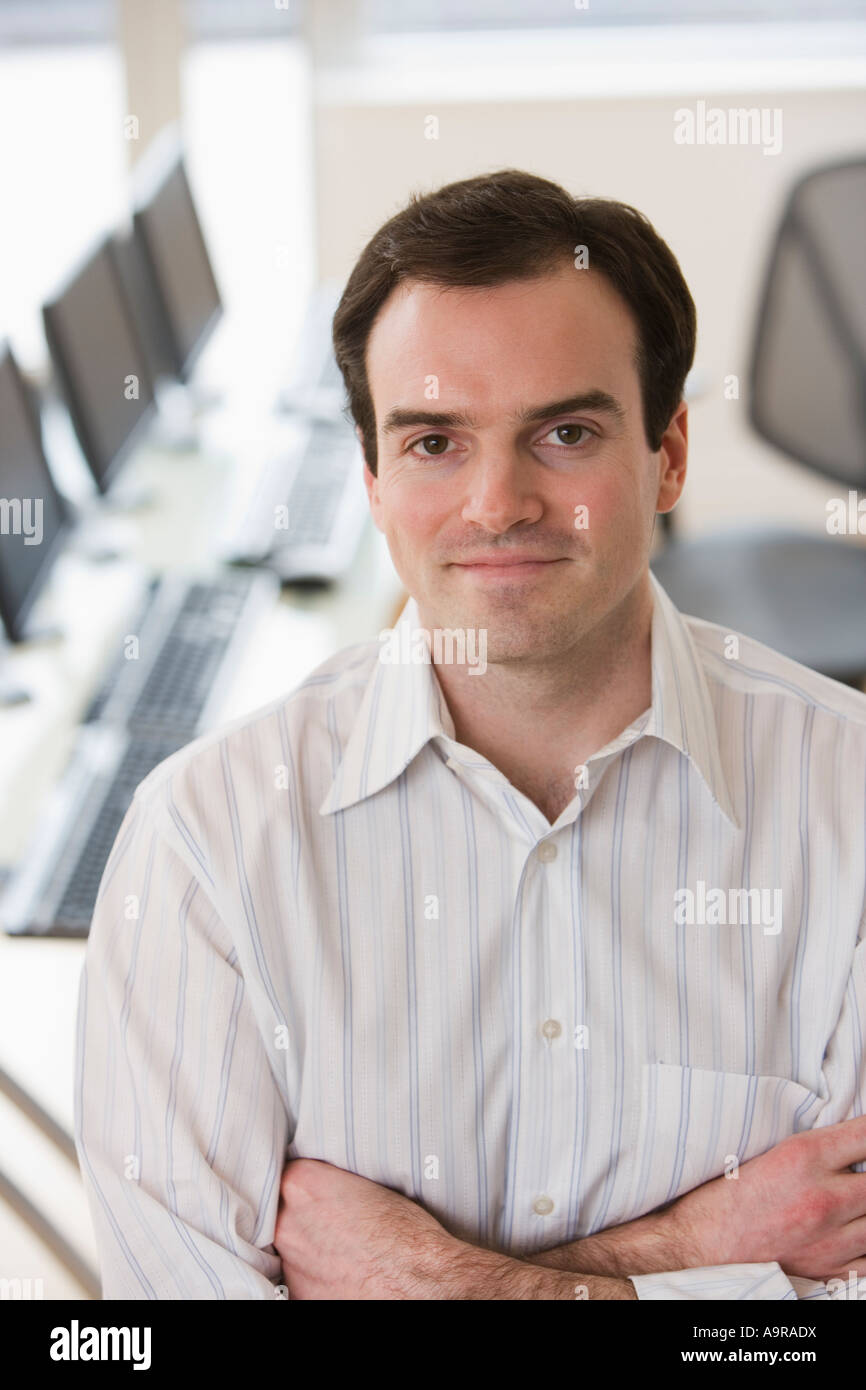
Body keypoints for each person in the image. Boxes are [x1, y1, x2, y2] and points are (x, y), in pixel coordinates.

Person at [74, 169, 866, 1300]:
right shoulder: (204, 847)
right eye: (435, 442)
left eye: (564, 433)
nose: (497, 504)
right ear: (371, 478)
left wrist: (423, 1281)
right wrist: (692, 1251)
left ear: (669, 454)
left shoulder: (848, 806)